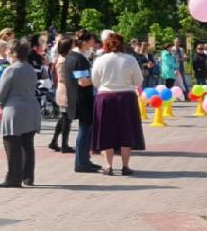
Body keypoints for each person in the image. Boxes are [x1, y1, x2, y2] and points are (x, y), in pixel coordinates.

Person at [91, 30, 145, 176]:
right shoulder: (130, 59)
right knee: (126, 131)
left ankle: (108, 166)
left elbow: (95, 81)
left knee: (106, 131)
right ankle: (125, 166)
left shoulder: (100, 60)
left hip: (105, 97)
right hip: (126, 97)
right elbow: (139, 81)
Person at [0, 39, 41, 188]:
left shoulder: (11, 69)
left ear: (14, 53)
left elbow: (1, 93)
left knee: (12, 144)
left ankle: (13, 178)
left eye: (9, 50)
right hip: (32, 109)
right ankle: (28, 176)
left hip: (14, 110)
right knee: (28, 145)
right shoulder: (30, 68)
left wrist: (0, 102)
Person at [69, 31, 101, 174]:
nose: (93, 44)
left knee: (86, 130)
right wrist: (99, 80)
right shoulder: (79, 59)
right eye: (92, 41)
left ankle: (85, 160)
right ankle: (81, 162)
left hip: (79, 97)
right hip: (83, 98)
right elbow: (82, 81)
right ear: (85, 42)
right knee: (85, 130)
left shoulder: (72, 56)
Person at [47, 35, 75, 152]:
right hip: (66, 90)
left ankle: (54, 141)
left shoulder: (60, 58)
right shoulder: (65, 60)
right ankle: (64, 144)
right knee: (66, 119)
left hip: (62, 89)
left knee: (63, 118)